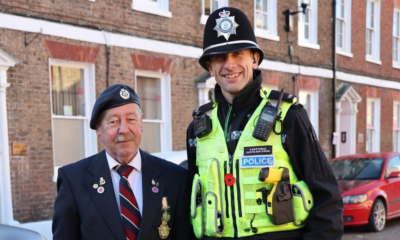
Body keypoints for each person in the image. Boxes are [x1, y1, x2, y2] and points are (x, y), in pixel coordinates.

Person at [186, 7, 343, 240]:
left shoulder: (289, 117)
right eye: (219, 57)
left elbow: (327, 201)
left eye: (238, 54)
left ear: (255, 59)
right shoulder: (198, 129)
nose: (229, 65)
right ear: (210, 67)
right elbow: (191, 204)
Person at [53, 84, 194, 240]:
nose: (124, 130)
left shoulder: (175, 178)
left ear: (141, 123)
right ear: (98, 129)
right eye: (113, 122)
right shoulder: (73, 180)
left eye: (131, 119)